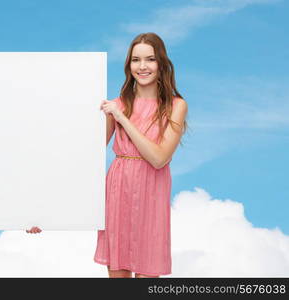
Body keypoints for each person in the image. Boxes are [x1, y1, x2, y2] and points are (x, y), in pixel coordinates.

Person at [27, 32, 188, 278]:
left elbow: (159, 158)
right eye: (135, 60)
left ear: (162, 63)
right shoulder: (116, 104)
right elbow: (81, 162)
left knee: (147, 275)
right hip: (118, 190)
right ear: (128, 65)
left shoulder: (175, 106)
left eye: (150, 59)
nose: (142, 66)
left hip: (151, 193)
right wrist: (42, 212)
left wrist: (122, 116)